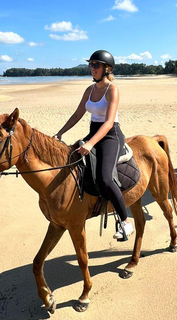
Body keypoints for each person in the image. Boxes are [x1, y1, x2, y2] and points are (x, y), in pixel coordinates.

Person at [54, 50, 134, 241]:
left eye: (96, 65)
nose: (92, 68)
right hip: (93, 131)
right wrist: (60, 132)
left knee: (105, 177)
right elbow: (77, 114)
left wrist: (90, 143)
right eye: (91, 65)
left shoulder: (112, 89)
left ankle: (125, 221)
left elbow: (108, 122)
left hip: (111, 135)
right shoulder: (89, 90)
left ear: (106, 69)